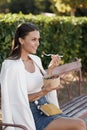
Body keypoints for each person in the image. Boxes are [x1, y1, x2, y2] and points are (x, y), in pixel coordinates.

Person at [0, 22, 86, 130]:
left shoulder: (36, 60)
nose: (38, 43)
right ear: (21, 40)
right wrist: (44, 92)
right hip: (30, 114)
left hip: (46, 108)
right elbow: (15, 101)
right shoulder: (10, 66)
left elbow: (44, 82)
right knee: (80, 124)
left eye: (38, 39)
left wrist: (50, 69)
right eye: (33, 39)